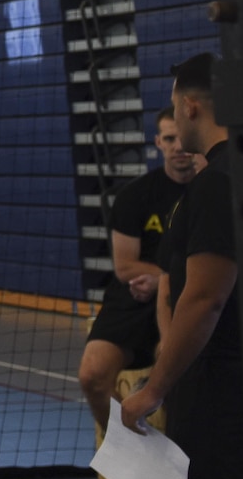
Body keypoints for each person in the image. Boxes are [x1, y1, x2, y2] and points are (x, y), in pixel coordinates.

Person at [123, 52, 243, 479]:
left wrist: (155, 387)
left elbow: (205, 295)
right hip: (226, 374)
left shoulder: (218, 183)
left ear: (191, 106)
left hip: (227, 381)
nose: (175, 123)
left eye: (176, 111)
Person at [79, 108, 199, 433]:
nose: (177, 147)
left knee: (178, 370)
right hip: (133, 299)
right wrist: (157, 278)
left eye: (181, 138)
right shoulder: (135, 196)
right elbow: (124, 266)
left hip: (185, 295)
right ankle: (128, 451)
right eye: (169, 139)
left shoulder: (209, 195)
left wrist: (164, 280)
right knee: (92, 375)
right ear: (158, 142)